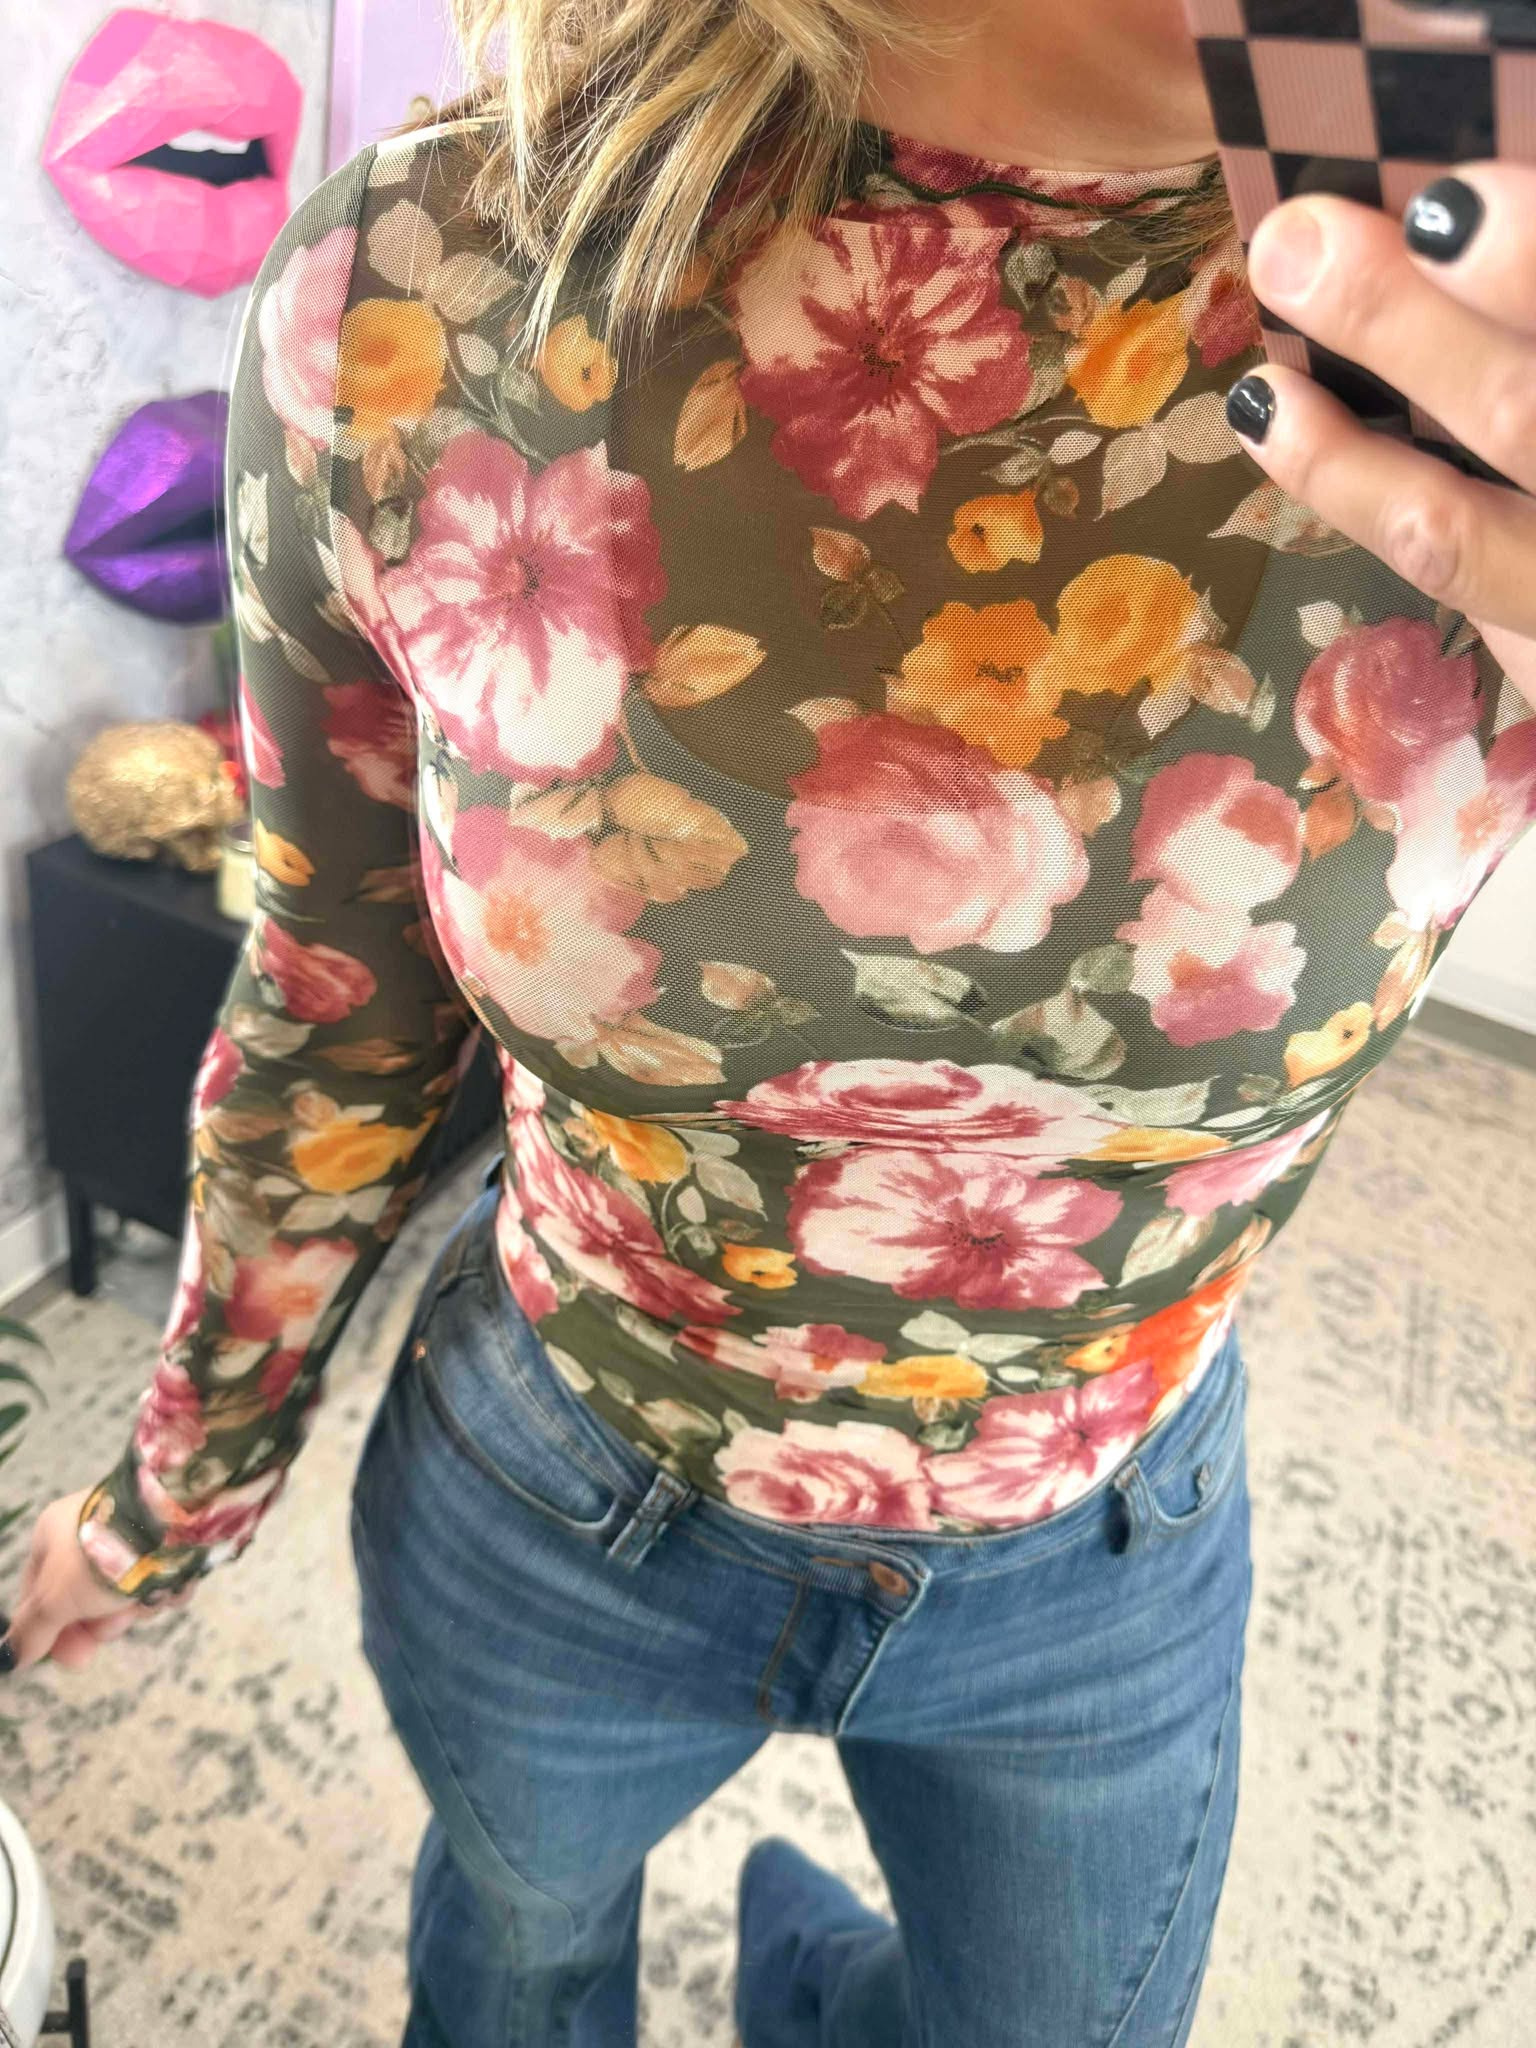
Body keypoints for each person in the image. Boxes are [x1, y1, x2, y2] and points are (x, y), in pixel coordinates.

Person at [8, 1, 1536, 2042]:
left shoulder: (1490, 339)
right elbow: (335, 996)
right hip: (562, 1490)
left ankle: (803, 1965)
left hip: (1108, 1528)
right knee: (522, 1963)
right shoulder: (428, 285)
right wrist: (172, 1493)